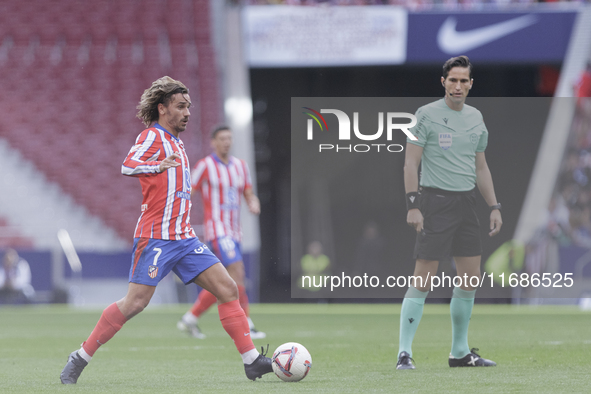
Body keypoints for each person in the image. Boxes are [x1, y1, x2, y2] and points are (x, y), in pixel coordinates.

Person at [60, 76, 273, 384]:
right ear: (162, 109)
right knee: (135, 303)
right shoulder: (153, 137)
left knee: (228, 289)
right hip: (156, 237)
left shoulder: (178, 143)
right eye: (180, 107)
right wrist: (158, 166)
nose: (187, 113)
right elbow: (127, 165)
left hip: (184, 238)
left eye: (189, 107)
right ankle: (80, 356)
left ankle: (251, 361)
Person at [397, 56, 502, 370]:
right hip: (435, 202)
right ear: (443, 82)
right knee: (423, 279)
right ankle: (404, 353)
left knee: (470, 279)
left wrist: (494, 206)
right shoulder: (425, 115)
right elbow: (410, 163)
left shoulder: (476, 117)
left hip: (467, 204)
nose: (458, 86)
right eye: (452, 80)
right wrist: (413, 204)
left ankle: (459, 353)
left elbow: (480, 166)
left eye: (464, 80)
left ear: (471, 84)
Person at [177, 125, 266, 339]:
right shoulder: (205, 165)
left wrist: (254, 203)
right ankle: (247, 324)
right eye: (222, 138)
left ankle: (190, 319)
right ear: (213, 142)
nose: (226, 142)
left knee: (224, 282)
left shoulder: (240, 167)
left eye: (229, 138)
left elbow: (249, 194)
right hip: (217, 229)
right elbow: (188, 192)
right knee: (238, 272)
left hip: (235, 232)